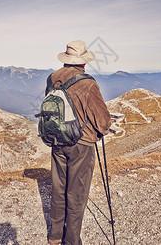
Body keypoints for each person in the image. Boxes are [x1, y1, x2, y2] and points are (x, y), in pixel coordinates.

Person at [47, 40, 111, 245]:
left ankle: (55, 236)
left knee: (59, 189)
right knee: (76, 194)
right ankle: (72, 241)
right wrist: (101, 131)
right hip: (81, 144)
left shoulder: (53, 78)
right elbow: (102, 121)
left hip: (58, 140)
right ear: (83, 62)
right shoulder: (87, 83)